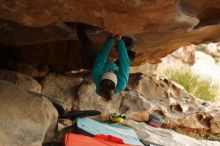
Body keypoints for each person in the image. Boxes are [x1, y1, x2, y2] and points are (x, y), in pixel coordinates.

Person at [77, 23, 135, 100]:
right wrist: (119, 42)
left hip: (103, 67)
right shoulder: (121, 84)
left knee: (88, 48)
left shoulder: (96, 73)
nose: (111, 72)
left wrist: (110, 40)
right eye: (112, 73)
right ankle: (123, 44)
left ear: (101, 78)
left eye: (109, 73)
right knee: (130, 56)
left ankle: (79, 28)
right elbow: (125, 63)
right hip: (115, 68)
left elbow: (102, 56)